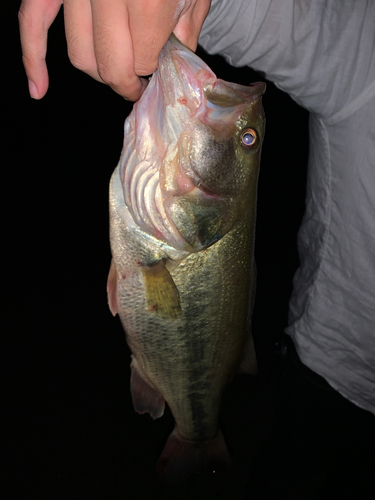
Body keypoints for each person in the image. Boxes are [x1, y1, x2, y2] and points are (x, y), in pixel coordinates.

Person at [19, 0, 375, 415]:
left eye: (246, 141)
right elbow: (286, 21)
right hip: (326, 366)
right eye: (247, 140)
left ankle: (196, 432)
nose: (243, 135)